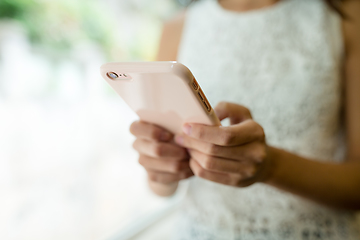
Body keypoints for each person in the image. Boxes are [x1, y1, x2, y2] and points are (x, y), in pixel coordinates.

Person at [130, 0, 360, 239]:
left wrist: (271, 167)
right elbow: (160, 187)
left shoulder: (345, 16)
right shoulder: (176, 27)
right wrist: (162, 168)